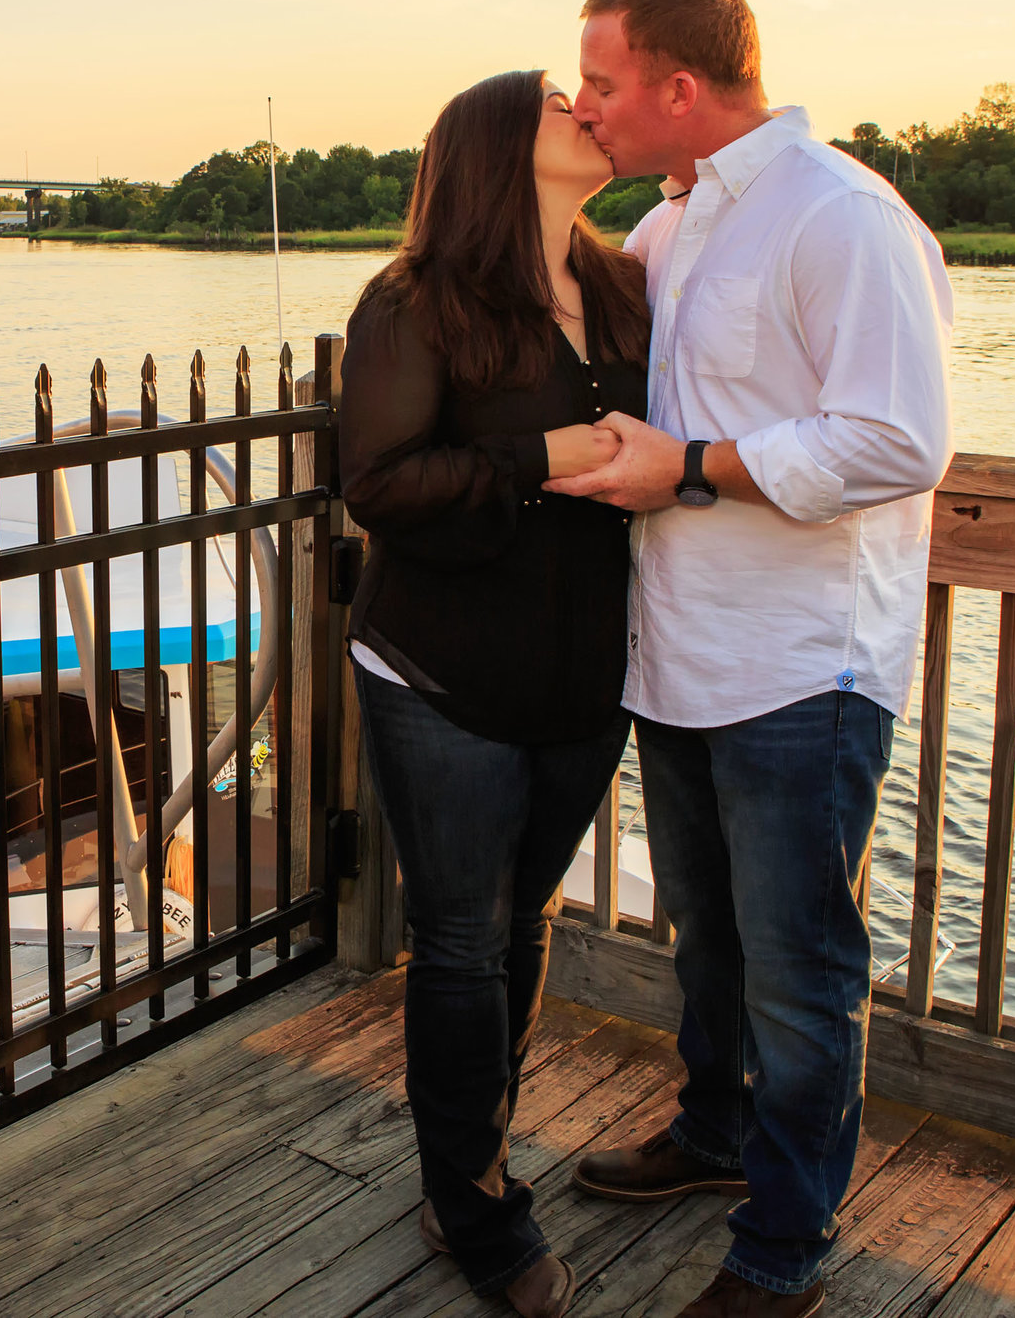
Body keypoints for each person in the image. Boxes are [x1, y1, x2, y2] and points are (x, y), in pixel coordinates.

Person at [550, 0, 954, 1318]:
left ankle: (784, 1244)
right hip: (677, 651)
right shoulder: (670, 228)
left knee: (800, 970)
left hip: (800, 664)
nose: (588, 103)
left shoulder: (840, 216)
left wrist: (693, 466)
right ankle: (713, 1134)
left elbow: (897, 438)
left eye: (602, 82)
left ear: (680, 84)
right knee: (710, 936)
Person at [340, 68, 654, 1318]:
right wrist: (537, 459)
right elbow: (380, 481)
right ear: (495, 147)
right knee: (461, 939)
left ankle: (473, 1149)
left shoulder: (626, 281)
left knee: (521, 922)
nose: (585, 102)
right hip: (440, 668)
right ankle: (472, 1203)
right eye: (555, 96)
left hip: (584, 670)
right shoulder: (414, 300)